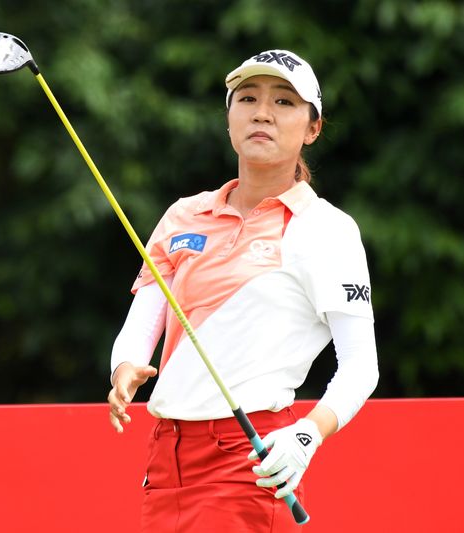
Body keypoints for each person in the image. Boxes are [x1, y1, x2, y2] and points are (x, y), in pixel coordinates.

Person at [107, 49, 379, 532]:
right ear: (228, 118)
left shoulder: (326, 230)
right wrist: (125, 365)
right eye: (247, 98)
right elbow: (146, 316)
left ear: (312, 128)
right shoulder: (184, 214)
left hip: (248, 455)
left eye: (284, 102)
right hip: (165, 457)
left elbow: (362, 366)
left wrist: (306, 436)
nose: (262, 112)